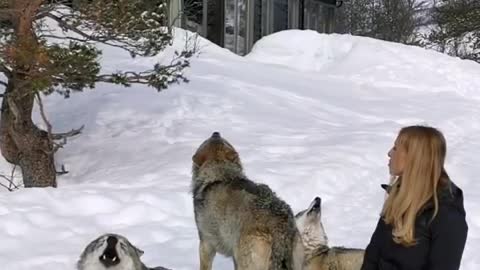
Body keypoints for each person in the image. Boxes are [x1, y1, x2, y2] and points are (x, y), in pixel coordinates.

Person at [361, 125, 468, 270]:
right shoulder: (398, 195)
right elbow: (373, 255)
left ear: (414, 157)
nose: (389, 153)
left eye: (395, 148)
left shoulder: (446, 215)